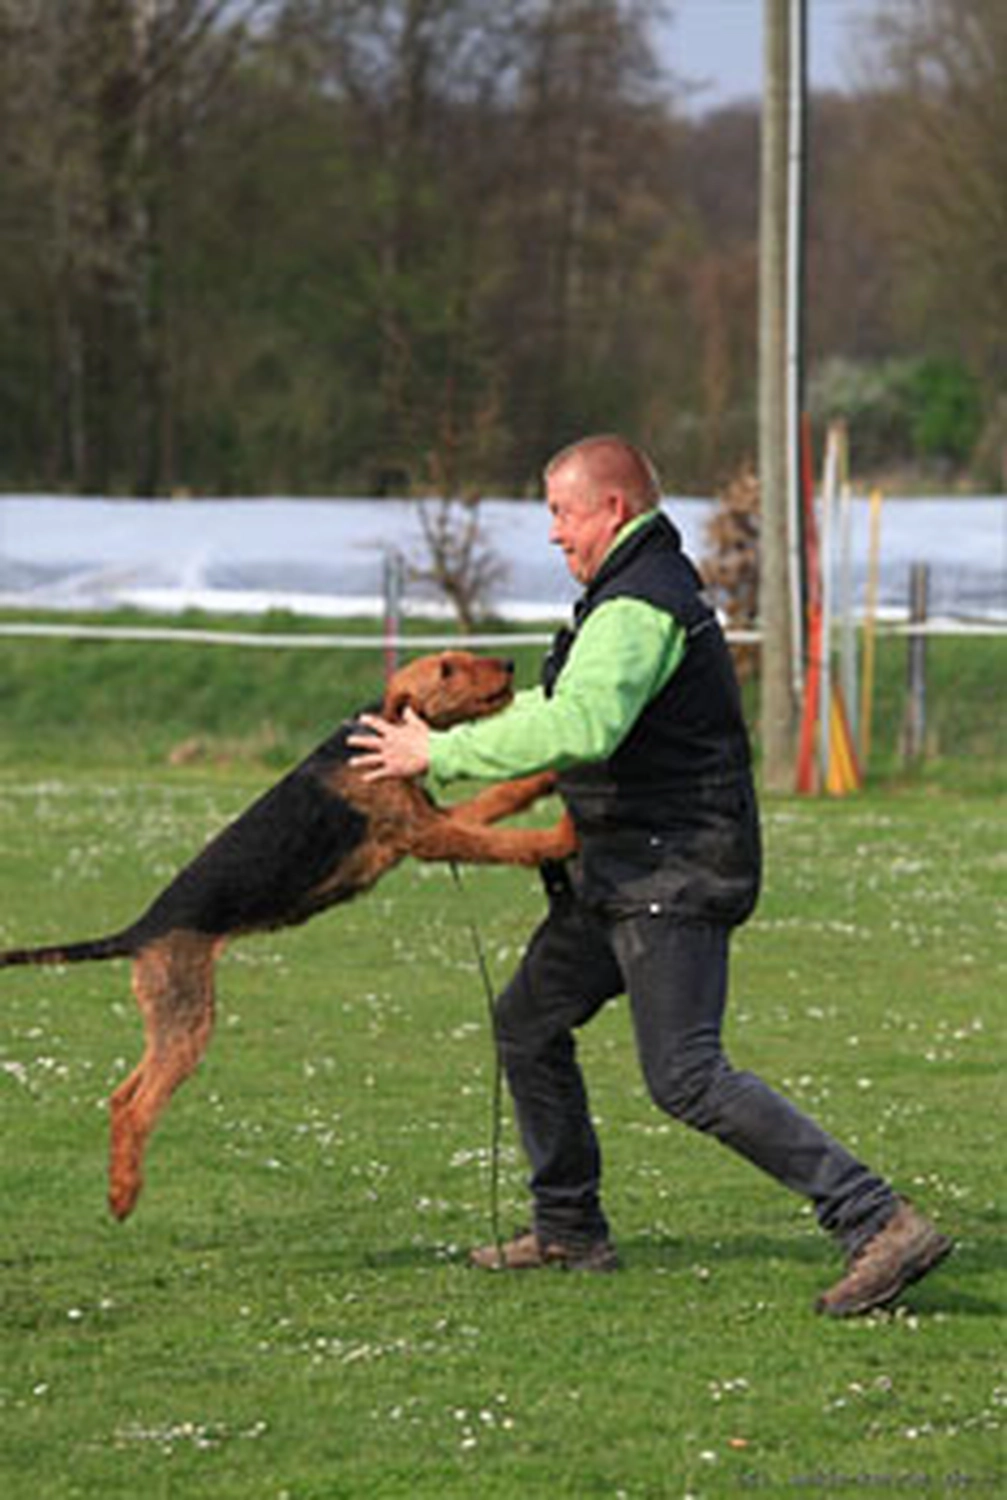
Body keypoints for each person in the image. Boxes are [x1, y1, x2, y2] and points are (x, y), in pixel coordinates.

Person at [349, 434, 952, 1317]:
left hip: (675, 867)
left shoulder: (639, 607)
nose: (554, 533)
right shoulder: (621, 596)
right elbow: (563, 715)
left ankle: (875, 1219)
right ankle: (567, 1227)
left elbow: (582, 726)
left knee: (686, 1075)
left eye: (561, 512)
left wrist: (437, 750)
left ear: (612, 509)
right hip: (623, 867)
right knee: (526, 1022)